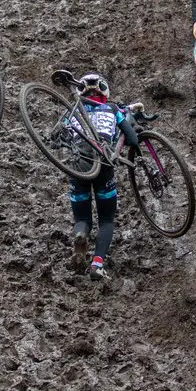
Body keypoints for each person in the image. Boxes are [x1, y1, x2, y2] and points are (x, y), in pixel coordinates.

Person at [69, 72, 141, 281]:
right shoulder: (112, 109)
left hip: (79, 166)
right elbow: (133, 138)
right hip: (103, 166)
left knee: (82, 217)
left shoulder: (73, 111)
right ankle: (97, 264)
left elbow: (59, 137)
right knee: (107, 220)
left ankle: (80, 233)